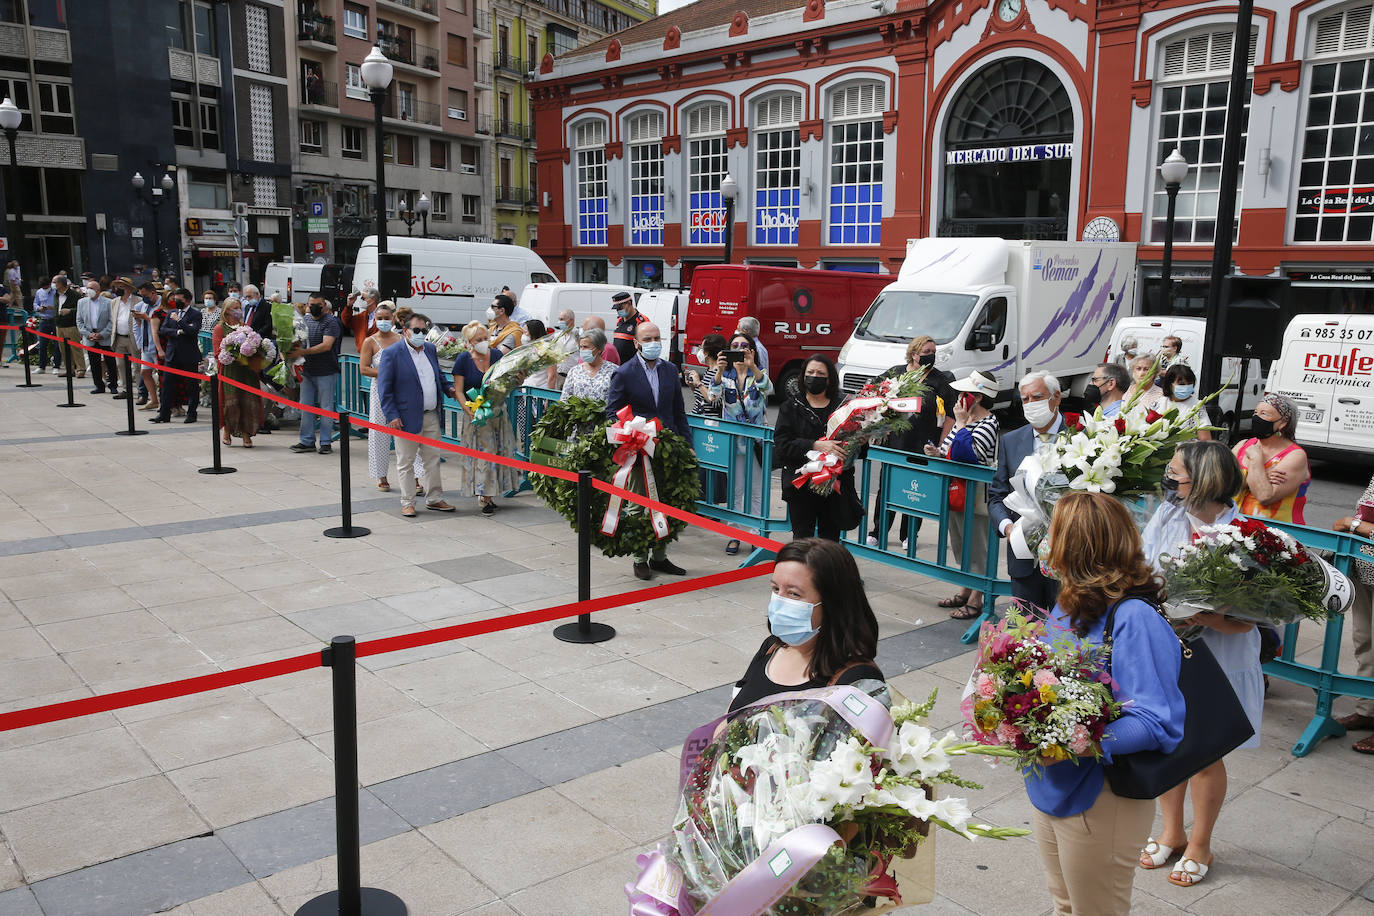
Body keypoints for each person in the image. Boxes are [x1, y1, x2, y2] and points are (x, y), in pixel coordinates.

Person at [1025, 492, 1186, 915]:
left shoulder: (1135, 618)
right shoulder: (1068, 602)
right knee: (1065, 906)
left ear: (1077, 548)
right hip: (1051, 785)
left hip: (1101, 799)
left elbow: (1155, 721)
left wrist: (1073, 743)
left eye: (1054, 533)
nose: (1046, 542)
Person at [1136, 440, 1258, 888]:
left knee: (1205, 752)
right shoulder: (1168, 514)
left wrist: (1206, 616)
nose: (1170, 479)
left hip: (1217, 654)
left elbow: (1247, 622)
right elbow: (1145, 569)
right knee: (1170, 741)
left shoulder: (1243, 533)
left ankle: (1201, 842)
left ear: (1204, 478)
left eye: (1177, 472)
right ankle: (1171, 831)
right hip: (1166, 644)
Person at [728, 537, 883, 715]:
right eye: (776, 589)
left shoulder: (857, 679)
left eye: (794, 593)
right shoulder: (771, 647)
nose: (780, 601)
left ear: (833, 603)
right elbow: (728, 718)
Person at [606, 321, 689, 580]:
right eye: (648, 339)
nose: (654, 343)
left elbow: (678, 412)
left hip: (667, 446)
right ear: (636, 343)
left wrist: (687, 445)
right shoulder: (625, 373)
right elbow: (612, 412)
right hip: (638, 449)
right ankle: (639, 557)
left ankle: (660, 557)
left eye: (657, 338)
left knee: (664, 503)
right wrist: (632, 432)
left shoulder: (670, 370)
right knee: (638, 504)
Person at [867, 335, 955, 549]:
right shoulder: (896, 373)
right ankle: (878, 532)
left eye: (933, 352)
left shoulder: (940, 380)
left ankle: (909, 534)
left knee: (915, 491)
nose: (931, 356)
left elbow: (951, 416)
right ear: (913, 354)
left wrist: (942, 444)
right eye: (926, 352)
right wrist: (880, 427)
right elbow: (873, 395)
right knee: (886, 488)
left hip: (922, 445)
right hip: (895, 444)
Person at [926, 369, 999, 620]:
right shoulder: (965, 419)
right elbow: (949, 450)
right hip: (957, 491)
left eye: (964, 393)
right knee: (960, 543)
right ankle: (966, 590)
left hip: (976, 494)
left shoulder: (988, 423)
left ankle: (977, 599)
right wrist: (936, 453)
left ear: (977, 397)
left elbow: (969, 455)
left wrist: (959, 423)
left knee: (977, 546)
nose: (958, 397)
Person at [989, 371, 1064, 613]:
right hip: (1023, 556)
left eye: (1037, 397)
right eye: (1025, 399)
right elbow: (996, 496)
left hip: (1067, 557)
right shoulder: (1011, 441)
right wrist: (1008, 528)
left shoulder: (1081, 437)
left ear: (1056, 398)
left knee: (1066, 636)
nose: (1031, 404)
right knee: (1024, 632)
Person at [378, 311, 458, 517]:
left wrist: (449, 389)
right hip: (404, 418)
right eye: (416, 330)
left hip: (431, 414)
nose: (420, 334)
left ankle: (434, 498)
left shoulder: (430, 349)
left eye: (424, 330)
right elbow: (384, 389)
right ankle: (408, 502)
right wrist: (392, 415)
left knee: (433, 459)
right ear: (405, 331)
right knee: (405, 462)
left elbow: (438, 376)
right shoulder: (392, 353)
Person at [774, 355, 853, 542]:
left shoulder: (843, 407)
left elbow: (856, 450)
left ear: (829, 378)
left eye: (820, 373)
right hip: (801, 485)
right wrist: (814, 445)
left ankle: (827, 572)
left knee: (830, 540)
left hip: (834, 486)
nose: (814, 376)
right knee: (802, 539)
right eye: (810, 372)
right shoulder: (791, 406)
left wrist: (860, 441)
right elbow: (782, 444)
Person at [706, 333, 772, 554]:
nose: (740, 349)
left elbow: (768, 388)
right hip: (733, 442)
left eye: (744, 346)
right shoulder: (724, 376)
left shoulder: (758, 375)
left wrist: (753, 367)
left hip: (756, 442)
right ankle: (734, 535)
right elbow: (713, 397)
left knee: (755, 490)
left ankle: (755, 535)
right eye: (735, 346)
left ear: (752, 350)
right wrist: (720, 371)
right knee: (735, 490)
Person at [453, 320, 518, 515]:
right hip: (476, 415)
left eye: (485, 338)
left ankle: (490, 491)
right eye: (478, 339)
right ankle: (485, 496)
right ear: (470, 342)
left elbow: (505, 381)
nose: (483, 342)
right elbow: (459, 391)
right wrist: (469, 410)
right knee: (484, 453)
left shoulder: (497, 355)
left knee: (498, 451)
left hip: (497, 412)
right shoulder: (463, 360)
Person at [1334, 473, 1374, 755]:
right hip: (1365, 570)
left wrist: (1353, 525)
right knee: (1365, 639)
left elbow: (1359, 520)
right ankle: (1368, 709)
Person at [362, 302, 419, 491]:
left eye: (387, 318)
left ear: (393, 318)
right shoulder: (370, 341)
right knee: (379, 432)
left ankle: (416, 477)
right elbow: (364, 368)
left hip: (402, 391)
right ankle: (381, 475)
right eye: (380, 318)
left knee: (409, 431)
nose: (384, 321)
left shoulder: (402, 339)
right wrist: (385, 373)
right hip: (380, 391)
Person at [1232, 392, 1310, 524]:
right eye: (1255, 413)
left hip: (1276, 534)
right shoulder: (1243, 445)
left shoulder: (1295, 455)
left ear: (1283, 423)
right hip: (1235, 527)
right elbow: (1219, 481)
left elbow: (1264, 495)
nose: (1256, 417)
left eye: (1264, 414)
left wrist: (1256, 460)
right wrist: (1262, 476)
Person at [288, 293, 343, 454]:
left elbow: (326, 345)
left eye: (318, 304)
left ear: (324, 305)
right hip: (307, 370)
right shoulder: (305, 321)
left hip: (326, 370)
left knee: (325, 408)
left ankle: (326, 442)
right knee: (306, 406)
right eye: (311, 304)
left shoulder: (331, 322)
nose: (314, 307)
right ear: (307, 304)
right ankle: (307, 441)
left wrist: (303, 351)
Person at [211, 298, 265, 448]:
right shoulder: (220, 329)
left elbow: (254, 345)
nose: (238, 310)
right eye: (235, 307)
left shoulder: (245, 327)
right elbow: (218, 353)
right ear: (227, 310)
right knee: (231, 402)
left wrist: (254, 350)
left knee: (247, 402)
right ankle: (227, 431)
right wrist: (234, 354)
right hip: (230, 371)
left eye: (240, 307)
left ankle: (246, 434)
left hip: (246, 371)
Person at [150, 289, 203, 424]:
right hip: (172, 355)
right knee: (167, 385)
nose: (176, 302)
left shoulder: (195, 314)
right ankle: (164, 413)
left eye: (179, 299)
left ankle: (192, 413)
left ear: (187, 300)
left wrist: (180, 320)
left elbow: (192, 331)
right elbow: (163, 330)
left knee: (192, 386)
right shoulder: (171, 313)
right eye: (175, 299)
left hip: (189, 355)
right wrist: (178, 331)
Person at [76, 280, 115, 393]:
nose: (89, 290)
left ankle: (113, 385)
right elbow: (79, 321)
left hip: (104, 336)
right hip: (90, 336)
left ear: (98, 290)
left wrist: (102, 334)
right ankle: (99, 385)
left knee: (110, 362)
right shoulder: (81, 302)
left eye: (91, 288)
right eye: (87, 288)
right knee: (94, 363)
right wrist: (88, 334)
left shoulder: (108, 302)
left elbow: (112, 321)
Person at [1153, 363, 1210, 439]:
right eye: (1182, 384)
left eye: (1189, 384)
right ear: (1170, 384)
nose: (1186, 387)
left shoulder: (1197, 406)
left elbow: (1205, 439)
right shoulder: (1158, 404)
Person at [560, 326, 617, 401]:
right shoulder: (574, 371)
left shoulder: (614, 371)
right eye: (581, 347)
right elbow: (565, 399)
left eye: (586, 347)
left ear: (599, 349)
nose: (582, 350)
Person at [132, 280, 162, 411]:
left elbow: (162, 323)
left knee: (161, 375)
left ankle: (165, 401)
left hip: (158, 345)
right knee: (145, 372)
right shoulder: (143, 305)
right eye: (141, 295)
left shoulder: (162, 304)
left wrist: (147, 318)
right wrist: (139, 319)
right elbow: (138, 326)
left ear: (153, 293)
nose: (144, 299)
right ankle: (153, 399)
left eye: (146, 296)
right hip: (145, 344)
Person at [52, 275, 80, 378]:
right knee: (63, 349)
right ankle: (70, 369)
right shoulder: (56, 295)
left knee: (76, 348)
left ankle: (80, 369)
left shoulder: (74, 295)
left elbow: (81, 309)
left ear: (60, 283)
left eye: (54, 282)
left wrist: (70, 311)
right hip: (59, 325)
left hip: (71, 325)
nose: (53, 285)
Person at [611, 290, 648, 364]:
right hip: (619, 366)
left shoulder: (641, 321)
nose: (618, 311)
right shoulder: (619, 320)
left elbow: (646, 346)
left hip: (633, 366)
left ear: (629, 303)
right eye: (617, 309)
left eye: (620, 308)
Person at [546, 308, 577, 389]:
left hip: (573, 377)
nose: (559, 322)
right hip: (559, 376)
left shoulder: (578, 336)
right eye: (559, 319)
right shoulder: (557, 336)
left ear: (571, 320)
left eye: (562, 319)